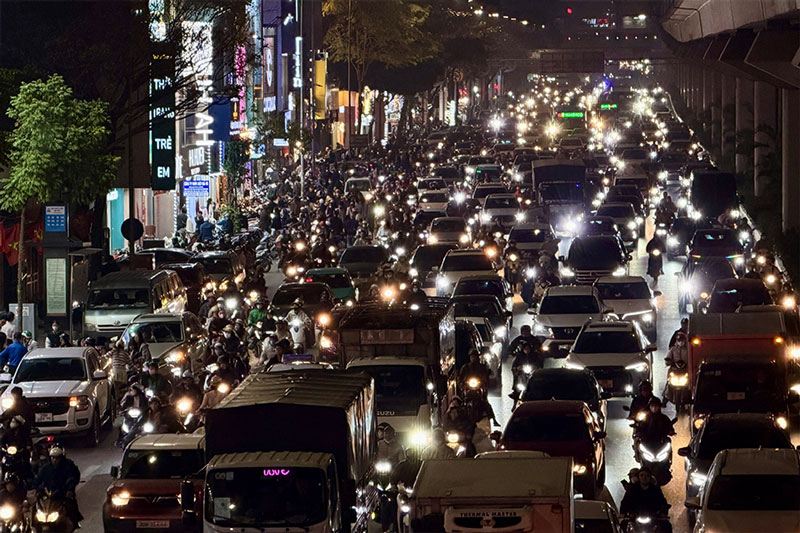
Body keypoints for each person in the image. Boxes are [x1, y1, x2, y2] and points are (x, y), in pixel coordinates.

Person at [35, 447, 83, 527]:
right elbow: (38, 480)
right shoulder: (46, 468)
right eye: (52, 457)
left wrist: (69, 489)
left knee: (70, 506)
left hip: (62, 494)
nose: (54, 460)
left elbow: (73, 477)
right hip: (48, 495)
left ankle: (75, 523)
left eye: (56, 458)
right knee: (37, 508)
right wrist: (37, 489)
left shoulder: (68, 466)